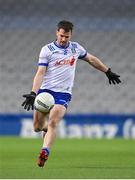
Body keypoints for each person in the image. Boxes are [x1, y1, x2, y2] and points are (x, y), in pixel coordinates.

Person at [22, 20, 121, 167]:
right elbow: (40, 72)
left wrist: (107, 71)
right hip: (45, 92)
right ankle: (47, 131)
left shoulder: (76, 48)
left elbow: (91, 59)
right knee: (37, 127)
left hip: (63, 94)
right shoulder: (47, 50)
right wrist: (33, 93)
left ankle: (45, 151)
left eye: (66, 37)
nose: (63, 39)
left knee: (54, 121)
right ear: (57, 33)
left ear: (71, 35)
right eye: (61, 35)